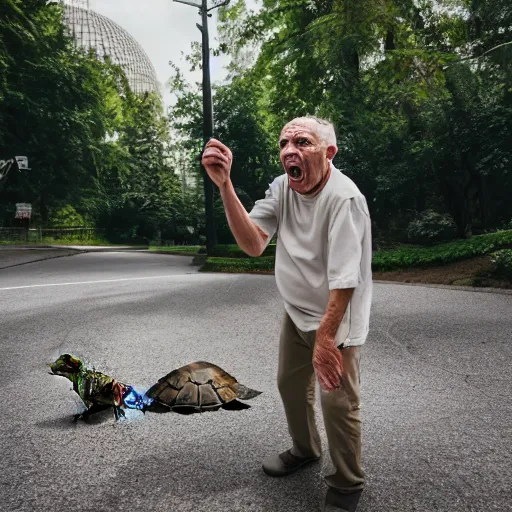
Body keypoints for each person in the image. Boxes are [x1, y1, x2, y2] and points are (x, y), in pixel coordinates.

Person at [201, 116, 372, 512]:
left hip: (337, 317)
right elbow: (253, 243)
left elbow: (346, 280)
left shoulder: (344, 199)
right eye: (283, 143)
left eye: (302, 142)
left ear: (329, 153)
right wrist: (225, 185)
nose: (289, 151)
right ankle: (306, 449)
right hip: (297, 311)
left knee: (336, 400)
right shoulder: (283, 188)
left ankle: (347, 483)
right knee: (289, 383)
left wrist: (326, 340)